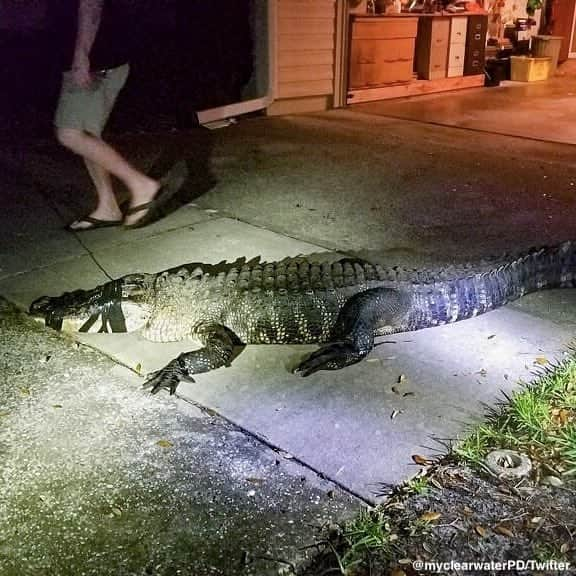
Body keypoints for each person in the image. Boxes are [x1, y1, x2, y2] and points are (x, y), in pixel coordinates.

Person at [54, 0, 185, 230]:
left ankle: (141, 185)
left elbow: (91, 5)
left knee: (70, 133)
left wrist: (81, 55)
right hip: (94, 58)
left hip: (97, 60)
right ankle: (108, 207)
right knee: (87, 134)